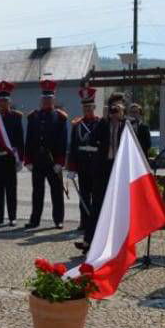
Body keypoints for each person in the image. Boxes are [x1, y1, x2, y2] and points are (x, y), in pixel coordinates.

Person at [77, 92, 127, 253]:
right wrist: (105, 119)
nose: (115, 109)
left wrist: (122, 119)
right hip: (103, 169)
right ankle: (89, 241)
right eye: (113, 106)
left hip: (119, 170)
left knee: (118, 206)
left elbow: (135, 143)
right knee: (97, 205)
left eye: (118, 106)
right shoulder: (103, 123)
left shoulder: (127, 124)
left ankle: (117, 242)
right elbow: (91, 139)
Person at [24, 79, 68, 229]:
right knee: (37, 192)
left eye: (49, 98)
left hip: (53, 161)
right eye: (44, 98)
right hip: (37, 160)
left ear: (53, 99)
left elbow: (63, 141)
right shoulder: (33, 117)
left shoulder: (60, 117)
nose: (46, 101)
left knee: (56, 192)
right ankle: (34, 220)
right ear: (41, 99)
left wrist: (60, 162)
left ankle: (58, 220)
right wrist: (28, 160)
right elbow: (29, 140)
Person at [0, 81, 25, 226]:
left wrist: (20, 159)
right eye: (0, 100)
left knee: (11, 189)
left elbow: (20, 140)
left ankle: (12, 217)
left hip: (10, 158)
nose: (2, 103)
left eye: (5, 100)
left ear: (9, 101)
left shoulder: (16, 117)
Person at [67, 87, 101, 233]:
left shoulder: (100, 123)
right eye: (85, 107)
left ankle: (96, 222)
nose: (87, 110)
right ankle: (84, 222)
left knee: (97, 196)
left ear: (94, 107)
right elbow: (73, 147)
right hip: (83, 166)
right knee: (84, 196)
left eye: (89, 107)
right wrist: (71, 167)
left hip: (96, 166)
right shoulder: (77, 125)